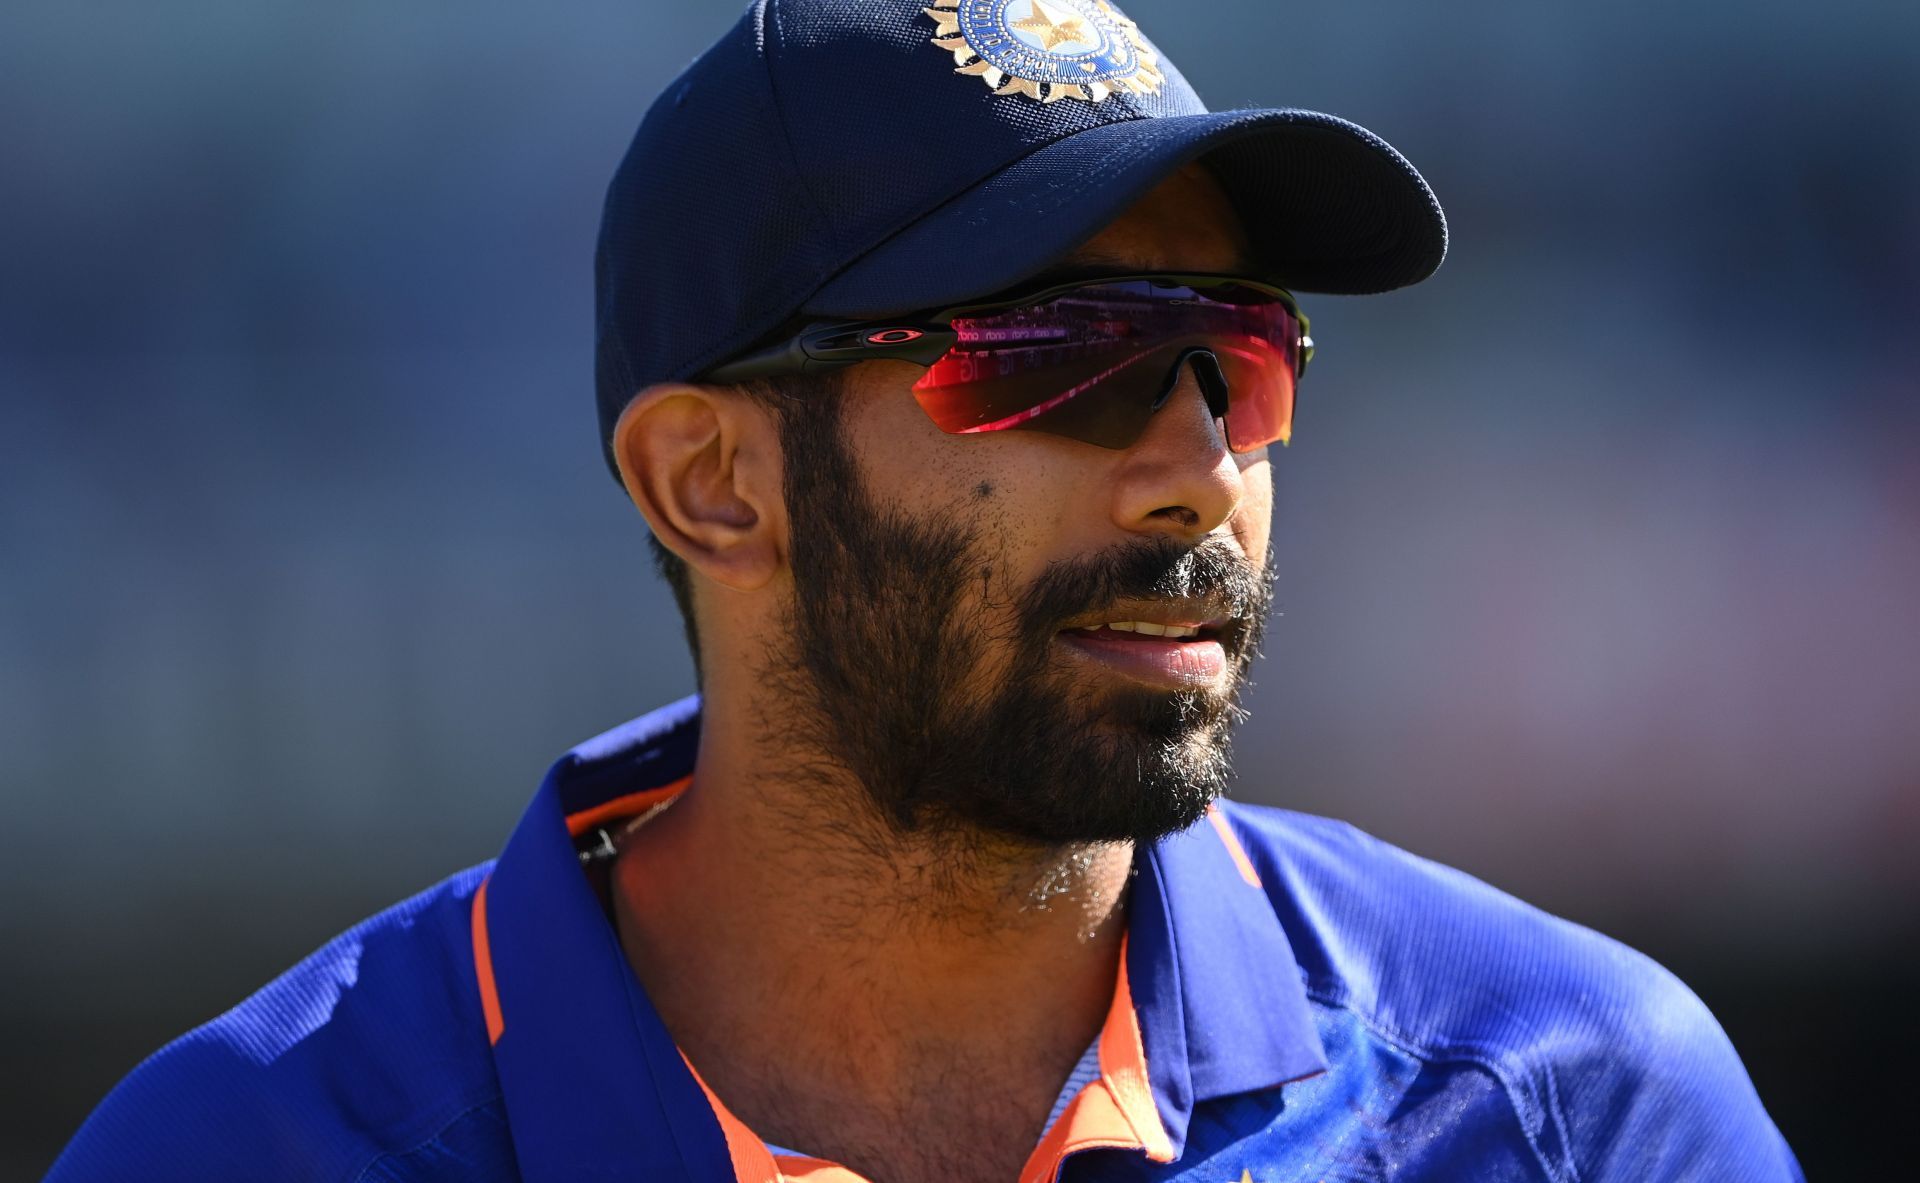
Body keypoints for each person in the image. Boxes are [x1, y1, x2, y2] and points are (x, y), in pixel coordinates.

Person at [51, 1, 1803, 1180]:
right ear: (712, 484)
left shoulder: (1573, 1104)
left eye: (1237, 360)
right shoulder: (249, 1145)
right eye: (1071, 357)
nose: (1201, 470)